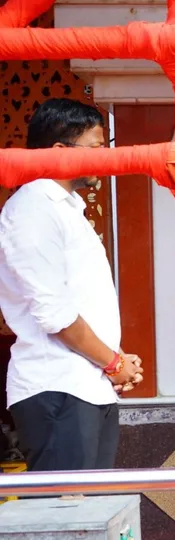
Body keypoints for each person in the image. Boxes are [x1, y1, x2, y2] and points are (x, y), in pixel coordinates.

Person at [0, 98, 144, 473]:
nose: (105, 159)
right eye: (96, 148)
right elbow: (56, 314)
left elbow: (82, 300)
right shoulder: (34, 208)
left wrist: (117, 358)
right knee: (67, 505)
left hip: (87, 384)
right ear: (60, 151)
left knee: (93, 503)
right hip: (58, 387)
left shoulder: (67, 208)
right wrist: (114, 362)